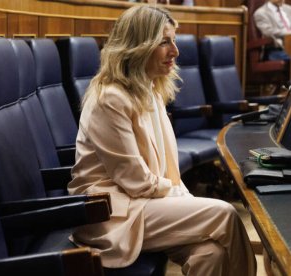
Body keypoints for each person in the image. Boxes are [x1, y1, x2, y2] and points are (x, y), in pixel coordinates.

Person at [68, 5, 256, 276]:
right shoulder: (110, 98)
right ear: (138, 46)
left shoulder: (150, 90)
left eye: (174, 41)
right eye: (164, 42)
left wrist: (181, 196)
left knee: (209, 253)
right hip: (114, 212)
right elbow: (135, 180)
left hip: (145, 202)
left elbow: (161, 170)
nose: (175, 52)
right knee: (225, 214)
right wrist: (181, 195)